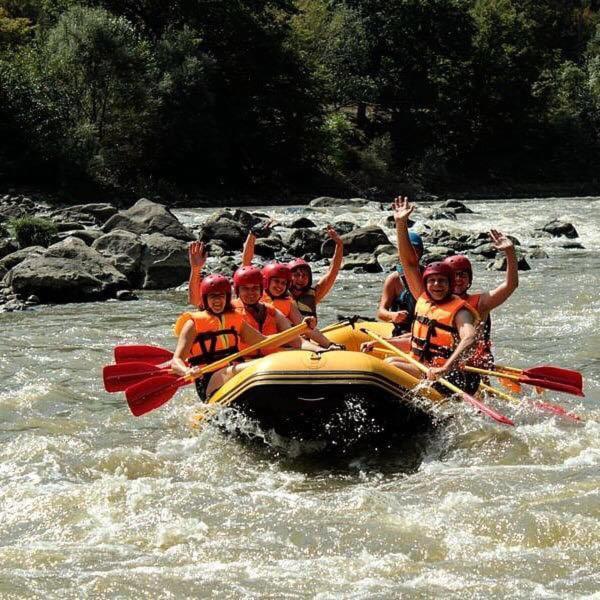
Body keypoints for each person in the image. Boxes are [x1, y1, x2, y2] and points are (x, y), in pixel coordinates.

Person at [362, 197, 479, 393]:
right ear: (426, 284)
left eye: (442, 281)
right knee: (387, 359)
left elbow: (469, 338)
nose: (436, 285)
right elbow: (409, 263)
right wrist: (400, 224)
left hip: (449, 375)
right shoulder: (424, 299)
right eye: (432, 281)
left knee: (390, 365)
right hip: (425, 365)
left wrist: (446, 367)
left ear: (450, 284)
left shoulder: (460, 312)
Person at [172, 274, 314, 398]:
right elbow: (176, 362)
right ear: (205, 298)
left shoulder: (235, 319)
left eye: (221, 296)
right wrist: (187, 370)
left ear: (227, 297)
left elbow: (265, 342)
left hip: (234, 371)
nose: (217, 300)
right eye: (212, 296)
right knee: (259, 365)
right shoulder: (193, 324)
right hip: (208, 378)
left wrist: (300, 329)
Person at [443, 236, 518, 367]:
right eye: (454, 275)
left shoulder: (481, 303)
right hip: (442, 357)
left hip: (471, 365)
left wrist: (510, 252)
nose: (458, 279)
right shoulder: (437, 302)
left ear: (469, 280)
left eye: (462, 275)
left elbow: (511, 285)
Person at [242, 224, 344, 319]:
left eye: (304, 275)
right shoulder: (276, 291)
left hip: (306, 336)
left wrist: (339, 245)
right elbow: (246, 266)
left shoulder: (314, 294)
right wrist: (252, 235)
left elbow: (332, 272)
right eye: (296, 275)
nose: (301, 278)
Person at [261, 262, 343, 350]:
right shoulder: (257, 300)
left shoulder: (288, 303)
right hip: (261, 351)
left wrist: (329, 344)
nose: (280, 286)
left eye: (284, 283)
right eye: (276, 281)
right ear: (266, 281)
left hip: (287, 348)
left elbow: (304, 327)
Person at [231, 265, 303, 357]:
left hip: (269, 360)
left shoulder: (271, 311)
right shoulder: (232, 313)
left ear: (261, 290)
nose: (251, 293)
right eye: (245, 288)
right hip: (244, 362)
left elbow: (296, 341)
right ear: (238, 291)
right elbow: (263, 342)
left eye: (255, 288)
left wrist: (321, 349)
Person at [377, 231, 424, 335]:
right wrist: (392, 316)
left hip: (423, 332)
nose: (410, 254)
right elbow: (381, 312)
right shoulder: (394, 279)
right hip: (402, 332)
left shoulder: (429, 277)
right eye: (406, 251)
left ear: (421, 253)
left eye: (415, 251)